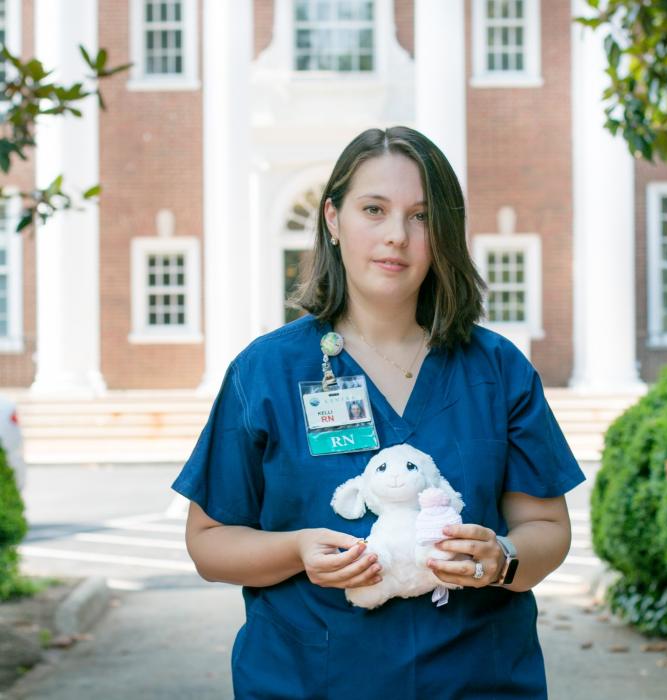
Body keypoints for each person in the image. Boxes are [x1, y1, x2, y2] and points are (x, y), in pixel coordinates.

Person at [172, 126, 585, 699]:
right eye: (374, 209)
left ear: (442, 234)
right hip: (308, 682)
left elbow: (547, 527)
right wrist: (294, 551)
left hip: (478, 682)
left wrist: (503, 558)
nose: (397, 235)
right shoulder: (265, 373)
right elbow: (209, 542)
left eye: (421, 216)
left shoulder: (496, 369)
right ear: (333, 221)